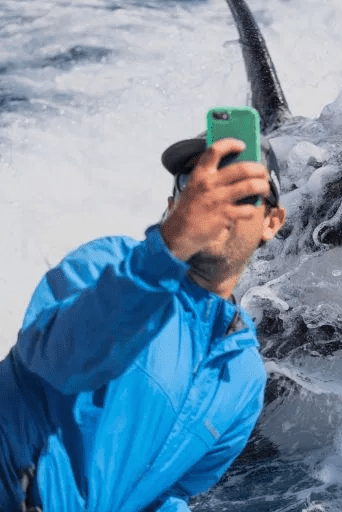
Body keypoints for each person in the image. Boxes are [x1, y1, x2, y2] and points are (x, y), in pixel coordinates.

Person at [0, 133, 286, 511]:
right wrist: (168, 250)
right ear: (175, 206)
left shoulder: (244, 377)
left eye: (242, 191)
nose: (222, 204)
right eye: (200, 185)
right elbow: (64, 359)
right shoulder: (105, 263)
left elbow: (169, 494)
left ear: (271, 222)